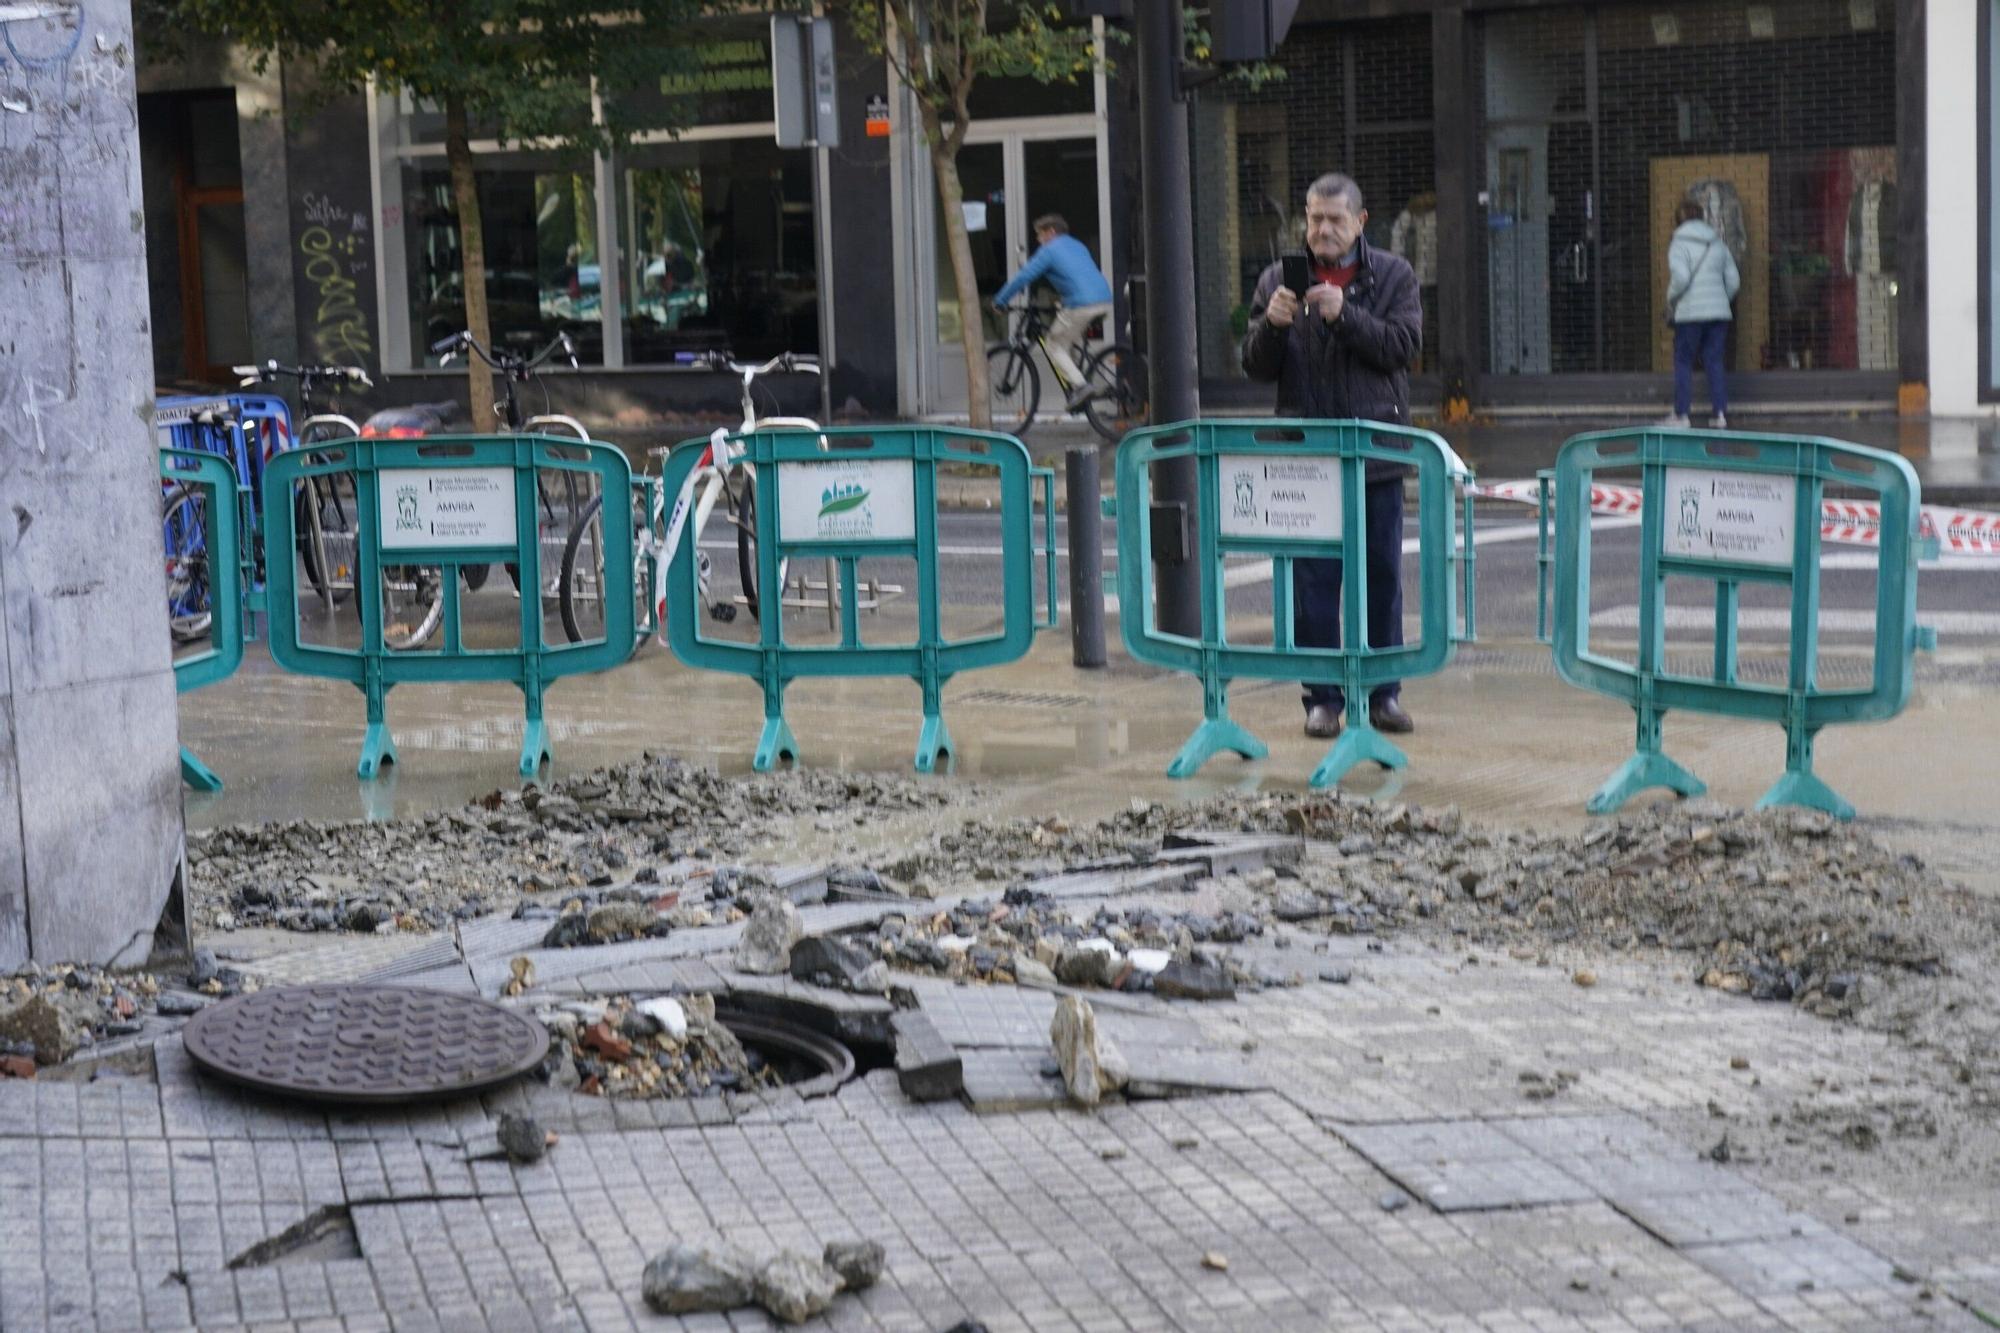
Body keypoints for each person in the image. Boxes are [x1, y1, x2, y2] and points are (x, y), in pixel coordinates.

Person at [1241, 172, 1422, 741]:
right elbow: (1254, 365)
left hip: (1375, 455)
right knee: (1313, 586)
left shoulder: (1391, 274)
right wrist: (1271, 327)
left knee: (1381, 579)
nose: (1321, 229)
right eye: (1314, 218)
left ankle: (1383, 694)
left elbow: (1402, 347)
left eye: (1334, 220)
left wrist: (1344, 315)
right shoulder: (1279, 277)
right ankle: (1322, 700)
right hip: (1305, 461)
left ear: (1360, 222)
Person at [992, 214, 1114, 411]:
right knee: (1067, 339)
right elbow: (1075, 273)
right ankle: (1078, 388)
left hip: (1081, 304)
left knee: (1053, 344)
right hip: (1103, 299)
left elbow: (1024, 276)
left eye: (1040, 235)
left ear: (1051, 232)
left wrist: (1000, 300)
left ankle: (1081, 386)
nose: (1038, 240)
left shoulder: (1049, 250)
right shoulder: (1077, 245)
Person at [1662, 197, 1741, 428]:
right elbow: (1734, 281)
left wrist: (1671, 298)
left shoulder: (1678, 243)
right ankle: (1720, 415)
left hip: (1690, 314)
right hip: (1719, 314)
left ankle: (1681, 415)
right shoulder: (1718, 244)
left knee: (1684, 361)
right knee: (1714, 361)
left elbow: (1681, 278)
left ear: (1679, 220)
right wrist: (1719, 300)